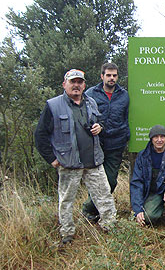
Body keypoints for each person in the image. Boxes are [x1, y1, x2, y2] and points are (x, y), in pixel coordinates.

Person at [34, 69, 116, 245]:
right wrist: (52, 159)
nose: (76, 85)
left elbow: (100, 121)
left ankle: (110, 227)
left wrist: (99, 127)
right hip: (68, 163)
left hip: (93, 161)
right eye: (73, 82)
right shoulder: (53, 105)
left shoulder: (91, 102)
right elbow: (40, 135)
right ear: (65, 84)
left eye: (80, 82)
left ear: (84, 85)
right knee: (66, 201)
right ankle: (67, 234)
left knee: (104, 196)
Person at [81, 62, 130, 222]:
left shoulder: (123, 95)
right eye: (108, 75)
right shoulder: (90, 94)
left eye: (114, 75)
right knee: (96, 180)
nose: (112, 78)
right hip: (96, 144)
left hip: (116, 144)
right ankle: (94, 213)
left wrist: (126, 135)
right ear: (102, 76)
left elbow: (125, 117)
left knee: (110, 181)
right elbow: (83, 117)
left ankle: (88, 207)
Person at [130, 125, 165, 226]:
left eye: (162, 137)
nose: (159, 140)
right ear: (151, 139)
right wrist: (138, 210)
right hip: (154, 192)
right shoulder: (143, 156)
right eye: (156, 137)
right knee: (148, 217)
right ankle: (157, 210)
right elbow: (136, 183)